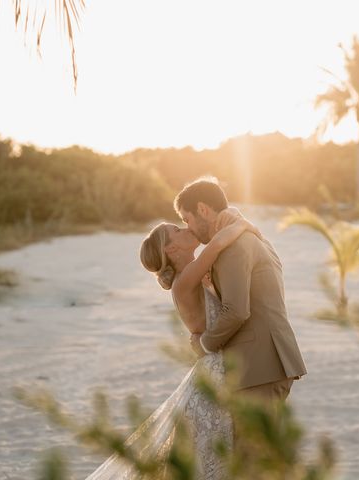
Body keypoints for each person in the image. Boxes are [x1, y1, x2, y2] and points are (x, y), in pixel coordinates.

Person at [86, 208, 259, 480]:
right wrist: (242, 222)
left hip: (216, 368)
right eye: (176, 231)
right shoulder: (186, 279)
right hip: (214, 373)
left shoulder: (192, 275)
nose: (184, 228)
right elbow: (219, 243)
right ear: (171, 249)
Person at [175, 177, 307, 402]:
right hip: (270, 363)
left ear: (203, 209)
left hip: (258, 366)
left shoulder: (233, 245)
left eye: (187, 219)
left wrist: (204, 344)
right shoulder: (253, 236)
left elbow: (236, 311)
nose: (189, 228)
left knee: (250, 439)